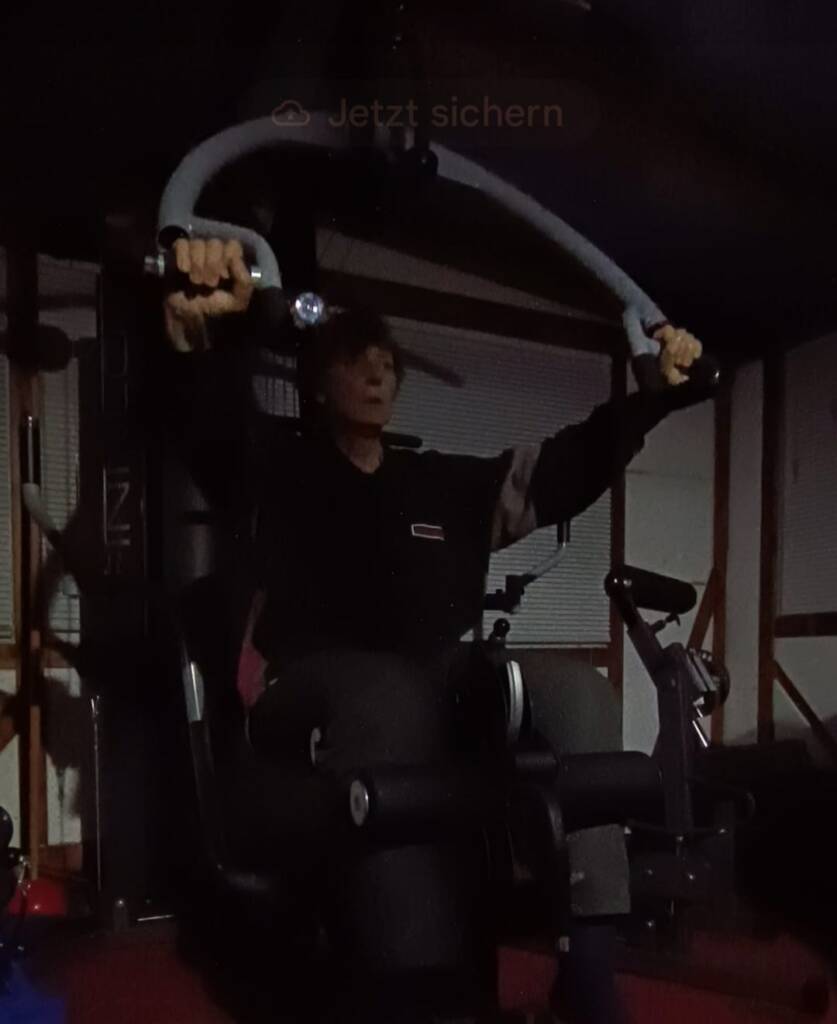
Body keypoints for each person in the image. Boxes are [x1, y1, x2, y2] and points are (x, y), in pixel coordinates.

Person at [162, 236, 703, 1023]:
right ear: (318, 384)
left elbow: (558, 472)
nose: (376, 372)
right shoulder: (280, 467)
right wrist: (196, 341)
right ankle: (415, 989)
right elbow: (211, 434)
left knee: (576, 690)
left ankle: (588, 962)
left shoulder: (442, 482)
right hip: (310, 685)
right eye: (356, 361)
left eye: (386, 363)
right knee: (388, 695)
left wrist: (648, 398)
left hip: (430, 681)